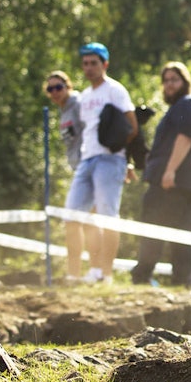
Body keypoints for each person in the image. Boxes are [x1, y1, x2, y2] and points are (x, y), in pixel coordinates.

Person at [130, 62, 191, 287]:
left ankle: (144, 275)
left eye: (174, 79)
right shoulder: (184, 106)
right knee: (178, 231)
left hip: (173, 181)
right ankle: (180, 281)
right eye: (166, 80)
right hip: (179, 182)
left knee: (155, 227)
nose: (169, 85)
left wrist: (169, 171)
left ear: (185, 82)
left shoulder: (187, 105)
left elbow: (186, 137)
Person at [64, 42, 137, 284]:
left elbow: (132, 126)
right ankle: (77, 273)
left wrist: (122, 156)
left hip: (110, 160)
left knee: (108, 217)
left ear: (104, 64)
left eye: (94, 63)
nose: (89, 68)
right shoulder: (84, 97)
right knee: (73, 215)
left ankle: (106, 274)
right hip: (87, 160)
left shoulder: (115, 90)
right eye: (85, 63)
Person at [45, 71, 98, 281]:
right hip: (80, 169)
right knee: (84, 222)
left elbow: (91, 130)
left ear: (68, 86)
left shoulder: (77, 103)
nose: (55, 92)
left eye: (59, 87)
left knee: (78, 221)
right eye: (50, 89)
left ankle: (84, 272)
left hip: (89, 168)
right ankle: (84, 272)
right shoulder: (64, 110)